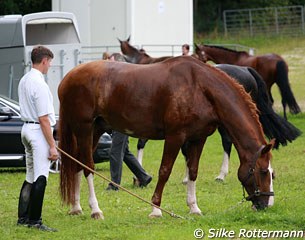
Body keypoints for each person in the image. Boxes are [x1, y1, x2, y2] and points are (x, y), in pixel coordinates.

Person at [17, 46, 58, 232]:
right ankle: (35, 220)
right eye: (49, 62)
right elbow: (43, 118)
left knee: (30, 175)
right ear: (44, 61)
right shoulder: (39, 84)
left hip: (26, 128)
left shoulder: (24, 79)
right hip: (37, 131)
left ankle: (23, 217)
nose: (50, 65)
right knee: (41, 176)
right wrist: (52, 146)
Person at [105, 53, 152, 191]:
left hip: (123, 120)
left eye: (111, 62)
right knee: (124, 151)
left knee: (115, 151)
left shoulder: (124, 81)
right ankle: (143, 177)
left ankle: (114, 184)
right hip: (121, 120)